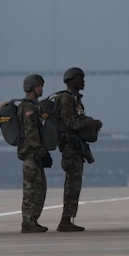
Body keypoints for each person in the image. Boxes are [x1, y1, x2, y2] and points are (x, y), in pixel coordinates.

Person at [49, 67, 101, 233]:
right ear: (70, 80)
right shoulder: (66, 99)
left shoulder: (76, 100)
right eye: (79, 78)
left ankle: (68, 219)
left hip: (76, 147)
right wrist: (91, 123)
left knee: (74, 184)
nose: (83, 81)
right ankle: (66, 220)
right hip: (70, 147)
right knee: (72, 185)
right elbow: (71, 123)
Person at [16, 73, 51, 233]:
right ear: (31, 87)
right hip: (31, 154)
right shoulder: (28, 108)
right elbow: (31, 132)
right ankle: (28, 222)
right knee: (31, 189)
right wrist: (42, 152)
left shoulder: (35, 106)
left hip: (35, 153)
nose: (41, 88)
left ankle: (32, 220)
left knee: (40, 187)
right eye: (39, 86)